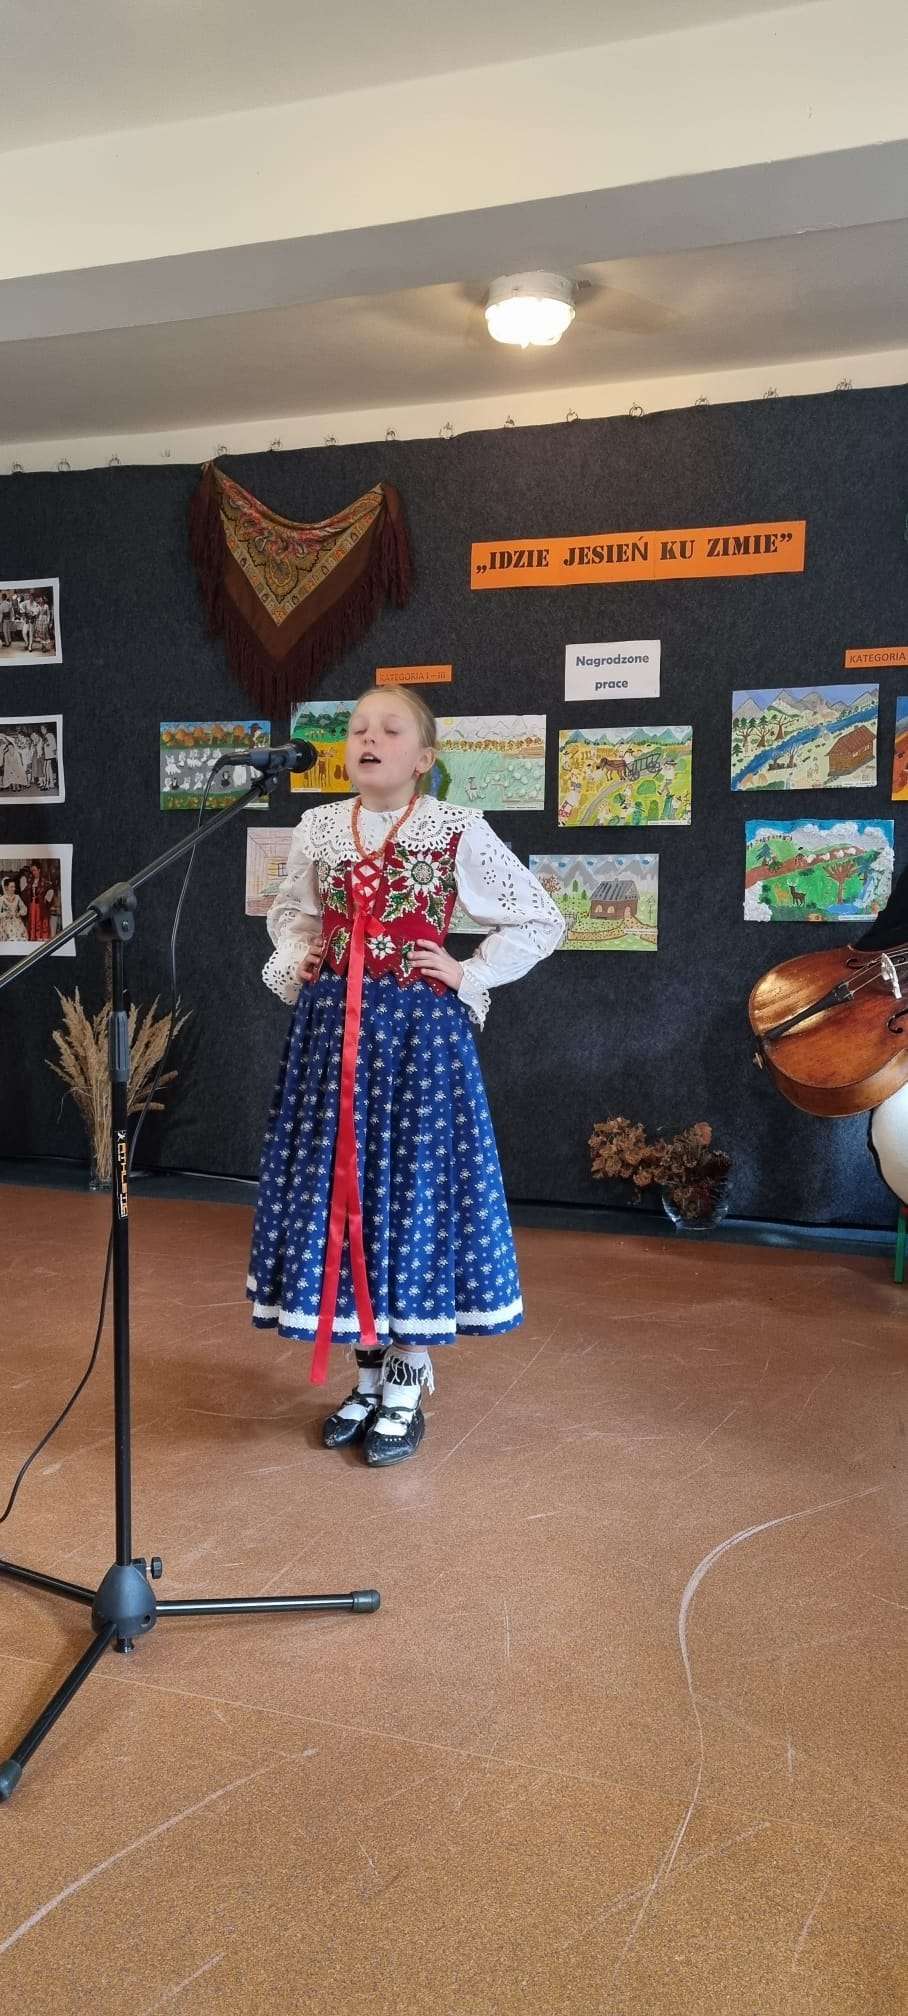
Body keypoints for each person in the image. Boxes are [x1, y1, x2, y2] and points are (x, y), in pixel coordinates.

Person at [248, 686, 564, 1466]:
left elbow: (540, 916)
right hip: (334, 1036)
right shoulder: (322, 826)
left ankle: (405, 1383)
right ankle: (364, 1379)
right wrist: (304, 956)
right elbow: (291, 912)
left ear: (423, 758)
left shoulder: (455, 828)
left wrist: (467, 971)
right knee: (344, 1197)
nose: (369, 738)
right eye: (359, 728)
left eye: (390, 730)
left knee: (408, 1195)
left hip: (417, 1042)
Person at [0, 874, 28, 939]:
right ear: (6, 887)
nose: (14, 889)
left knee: (22, 935)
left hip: (17, 922)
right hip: (6, 923)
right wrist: (5, 914)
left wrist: (19, 913)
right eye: (11, 887)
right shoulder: (2, 899)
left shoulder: (17, 897)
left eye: (14, 887)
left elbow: (24, 908)